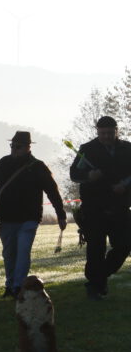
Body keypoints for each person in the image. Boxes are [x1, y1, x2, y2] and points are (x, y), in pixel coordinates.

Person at [0, 131, 67, 298]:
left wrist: (61, 214)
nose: (14, 149)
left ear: (28, 147)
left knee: (22, 252)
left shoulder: (38, 166)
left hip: (30, 218)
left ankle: (16, 287)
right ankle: (10, 284)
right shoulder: (4, 163)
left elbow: (52, 191)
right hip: (6, 218)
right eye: (12, 146)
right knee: (9, 254)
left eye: (18, 146)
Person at [69, 115, 131, 300]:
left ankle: (98, 277)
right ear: (97, 131)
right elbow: (75, 174)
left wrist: (125, 185)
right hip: (94, 208)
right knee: (95, 249)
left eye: (109, 133)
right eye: (102, 133)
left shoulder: (128, 149)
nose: (106, 136)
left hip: (120, 207)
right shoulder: (86, 150)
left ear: (116, 131)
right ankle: (95, 287)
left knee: (125, 244)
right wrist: (89, 176)